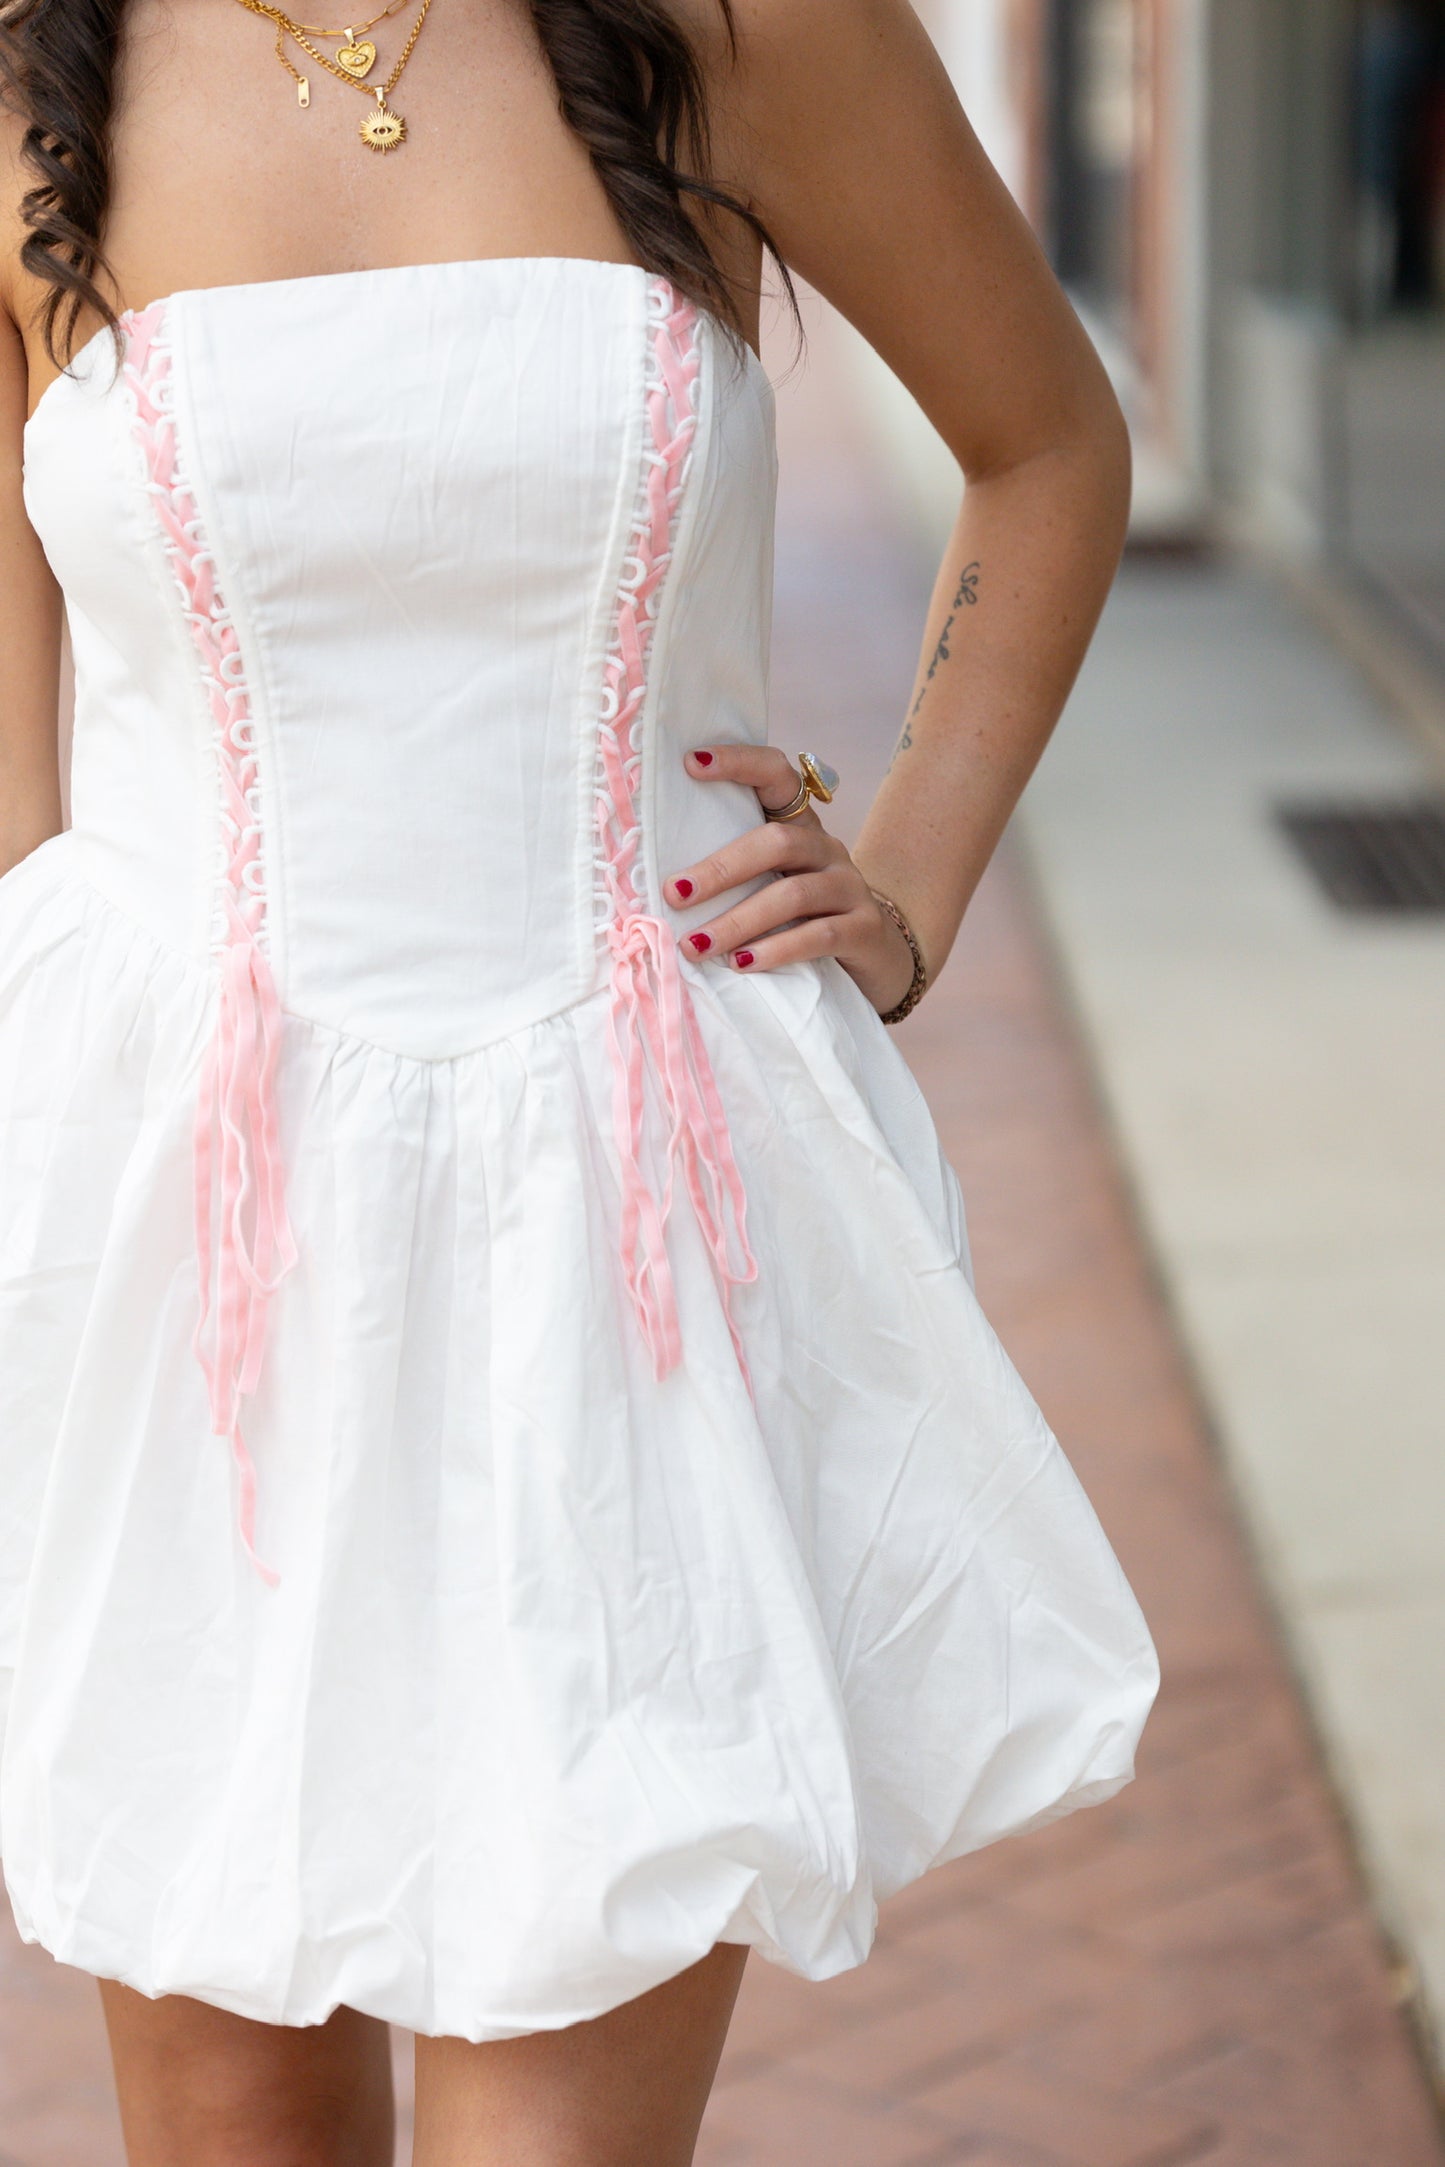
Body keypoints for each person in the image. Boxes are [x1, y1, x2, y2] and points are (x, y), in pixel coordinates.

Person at [0, 1, 1158, 2160]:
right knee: (231, 2123)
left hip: (619, 1242)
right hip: (190, 1266)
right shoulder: (29, 82)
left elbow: (1049, 440)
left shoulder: (738, 27)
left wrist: (904, 874)